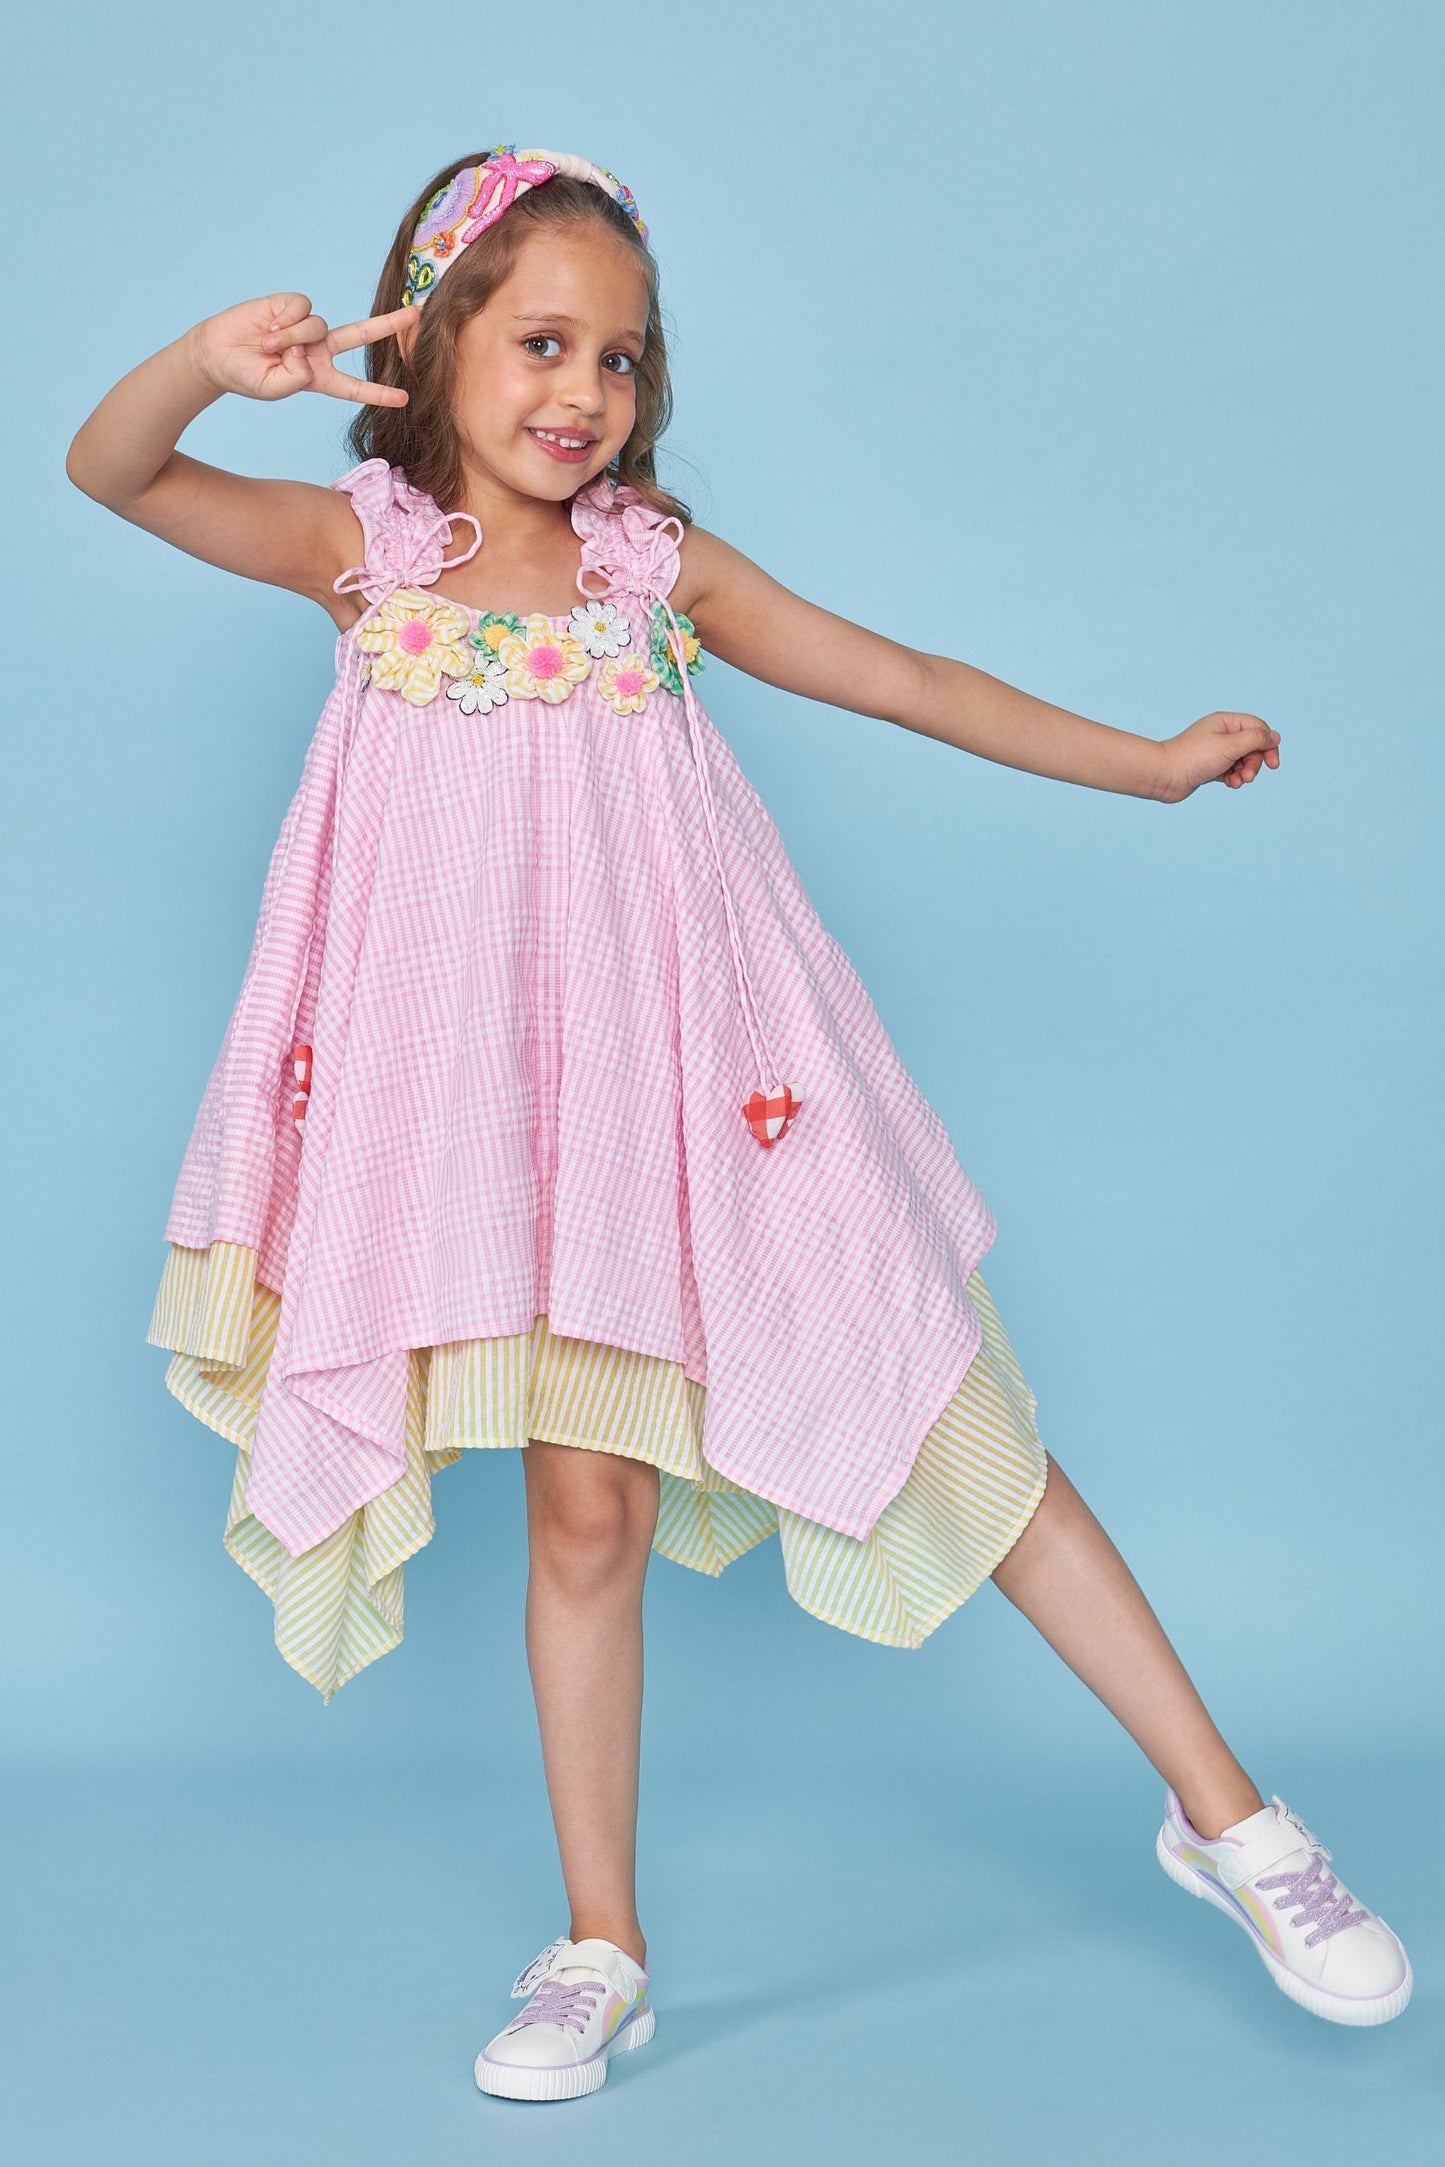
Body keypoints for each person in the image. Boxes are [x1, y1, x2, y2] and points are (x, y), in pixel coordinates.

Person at [66, 143, 1412, 2104]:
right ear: (426, 345)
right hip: (502, 1136)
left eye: (619, 358)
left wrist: (1141, 766)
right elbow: (113, 471)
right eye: (541, 341)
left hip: (720, 1085)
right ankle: (599, 1944)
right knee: (583, 1510)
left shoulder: (655, 571)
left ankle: (1231, 1818)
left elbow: (902, 676)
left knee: (947, 1405)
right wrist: (206, 362)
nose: (583, 392)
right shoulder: (365, 552)